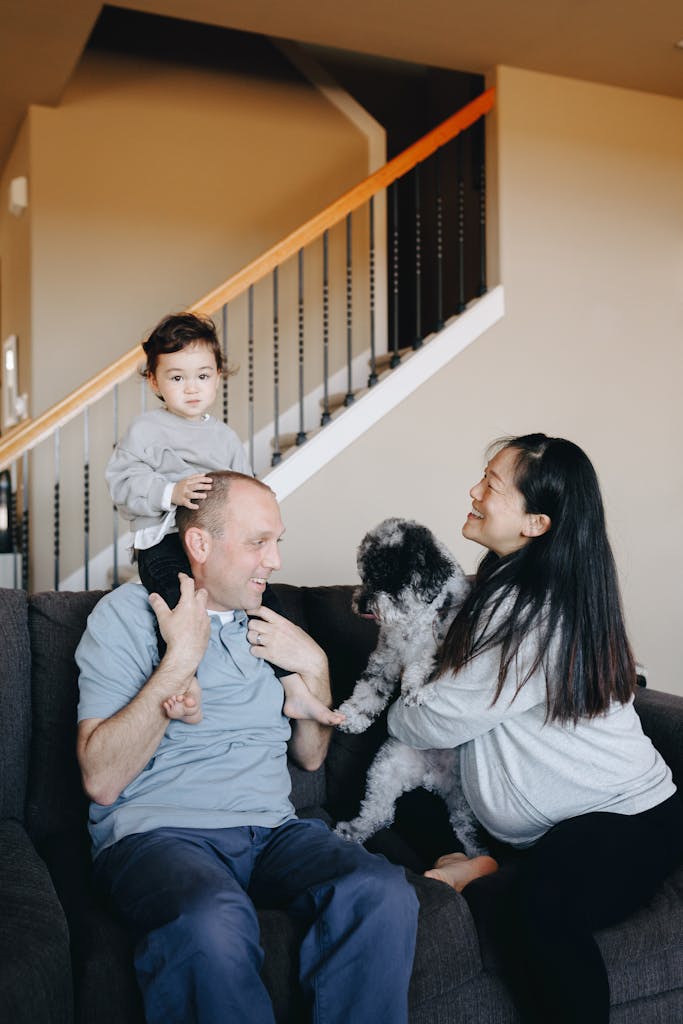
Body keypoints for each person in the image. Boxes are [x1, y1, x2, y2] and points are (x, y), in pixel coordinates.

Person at [76, 470, 418, 1024]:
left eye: (277, 540)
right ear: (200, 544)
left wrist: (317, 664)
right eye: (259, 542)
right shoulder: (126, 616)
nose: (276, 560)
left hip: (274, 831)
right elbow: (101, 779)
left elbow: (310, 756)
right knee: (210, 919)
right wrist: (181, 658)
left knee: (380, 890)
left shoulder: (267, 624)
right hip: (162, 834)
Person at [386, 433, 683, 1024]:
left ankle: (490, 870)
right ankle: (471, 860)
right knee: (403, 797)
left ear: (537, 522)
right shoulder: (504, 586)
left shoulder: (534, 611)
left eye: (491, 485)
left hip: (624, 817)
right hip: (549, 827)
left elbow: (434, 719)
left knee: (540, 912)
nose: (474, 491)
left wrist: (401, 710)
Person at [105, 311, 252, 616]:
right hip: (165, 542)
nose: (191, 387)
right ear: (154, 382)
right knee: (180, 601)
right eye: (176, 377)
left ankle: (275, 662)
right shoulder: (145, 429)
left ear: (217, 376)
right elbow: (122, 482)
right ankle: (183, 658)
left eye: (202, 375)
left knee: (257, 602)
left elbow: (245, 493)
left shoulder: (226, 439)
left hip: (216, 546)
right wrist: (170, 491)